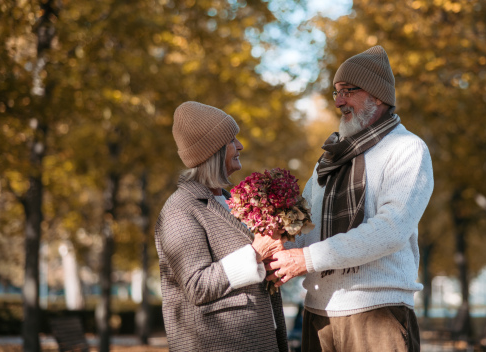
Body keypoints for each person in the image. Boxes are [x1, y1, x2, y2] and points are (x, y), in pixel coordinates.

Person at [266, 46, 434, 352]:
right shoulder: (329, 160)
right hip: (319, 316)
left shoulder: (407, 149)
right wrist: (278, 249)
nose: (339, 101)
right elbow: (305, 227)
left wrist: (307, 259)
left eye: (347, 91)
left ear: (377, 96)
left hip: (378, 316)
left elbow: (391, 229)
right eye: (335, 92)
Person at [155, 101, 288, 352]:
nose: (240, 146)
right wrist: (255, 252)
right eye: (232, 140)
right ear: (213, 151)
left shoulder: (230, 201)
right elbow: (197, 285)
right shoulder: (180, 209)